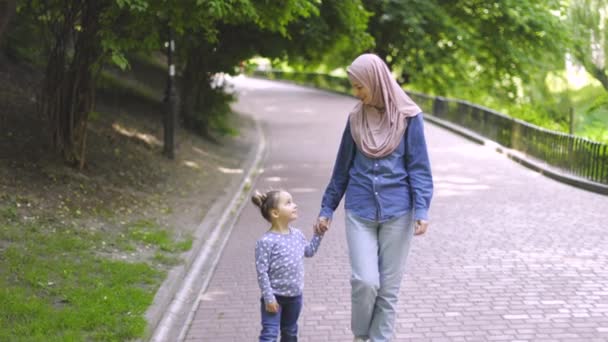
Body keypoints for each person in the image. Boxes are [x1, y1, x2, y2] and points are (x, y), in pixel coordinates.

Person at [315, 53, 433, 342]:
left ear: (375, 82)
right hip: (360, 210)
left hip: (399, 212)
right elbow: (341, 168)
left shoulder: (410, 117)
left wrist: (422, 210)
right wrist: (326, 208)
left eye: (359, 87)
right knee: (365, 281)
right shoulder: (356, 118)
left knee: (389, 289)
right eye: (354, 86)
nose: (356, 93)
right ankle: (361, 335)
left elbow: (419, 168)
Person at [252, 189, 323, 342]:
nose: (295, 205)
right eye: (288, 203)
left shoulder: (297, 234)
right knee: (269, 335)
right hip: (274, 297)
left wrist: (318, 235)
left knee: (290, 332)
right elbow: (262, 272)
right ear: (275, 213)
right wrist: (269, 298)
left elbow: (309, 251)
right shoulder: (265, 242)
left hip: (295, 296)